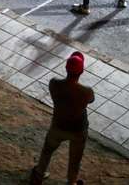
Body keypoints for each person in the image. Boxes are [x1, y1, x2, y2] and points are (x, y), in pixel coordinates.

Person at [30, 52, 95, 185]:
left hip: (58, 125)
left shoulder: (54, 83)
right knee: (75, 160)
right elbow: (91, 100)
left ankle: (39, 174)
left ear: (66, 68)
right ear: (81, 71)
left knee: (47, 150)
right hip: (78, 130)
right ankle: (71, 182)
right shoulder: (86, 91)